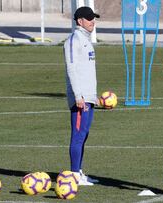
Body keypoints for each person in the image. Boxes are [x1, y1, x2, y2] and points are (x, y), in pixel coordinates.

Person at [63, 6, 100, 186]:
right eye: (89, 18)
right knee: (78, 136)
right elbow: (71, 68)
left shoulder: (86, 40)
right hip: (80, 98)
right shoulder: (73, 41)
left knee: (84, 135)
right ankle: (74, 175)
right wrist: (78, 95)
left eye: (93, 18)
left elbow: (86, 72)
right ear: (80, 21)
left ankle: (79, 172)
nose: (92, 21)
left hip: (88, 97)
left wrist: (94, 95)